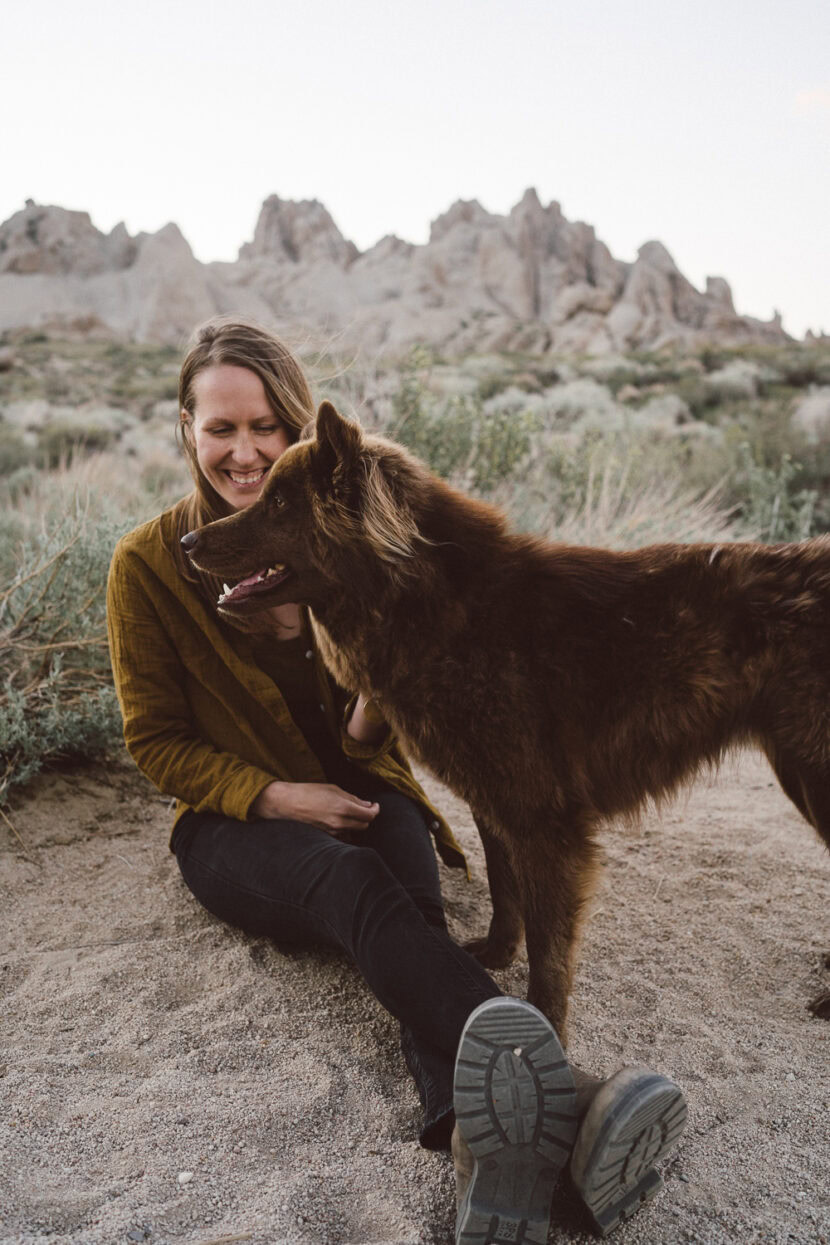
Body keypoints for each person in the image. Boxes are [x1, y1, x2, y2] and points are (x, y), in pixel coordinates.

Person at [106, 318, 687, 1241]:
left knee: (410, 920)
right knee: (352, 883)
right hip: (234, 827)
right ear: (186, 428)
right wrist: (282, 797)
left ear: (296, 430)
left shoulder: (346, 536)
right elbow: (157, 740)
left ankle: (478, 1142)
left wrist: (331, 647)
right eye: (221, 428)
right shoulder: (147, 564)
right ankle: (568, 1100)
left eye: (266, 426)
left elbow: (383, 714)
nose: (245, 450)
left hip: (371, 789)